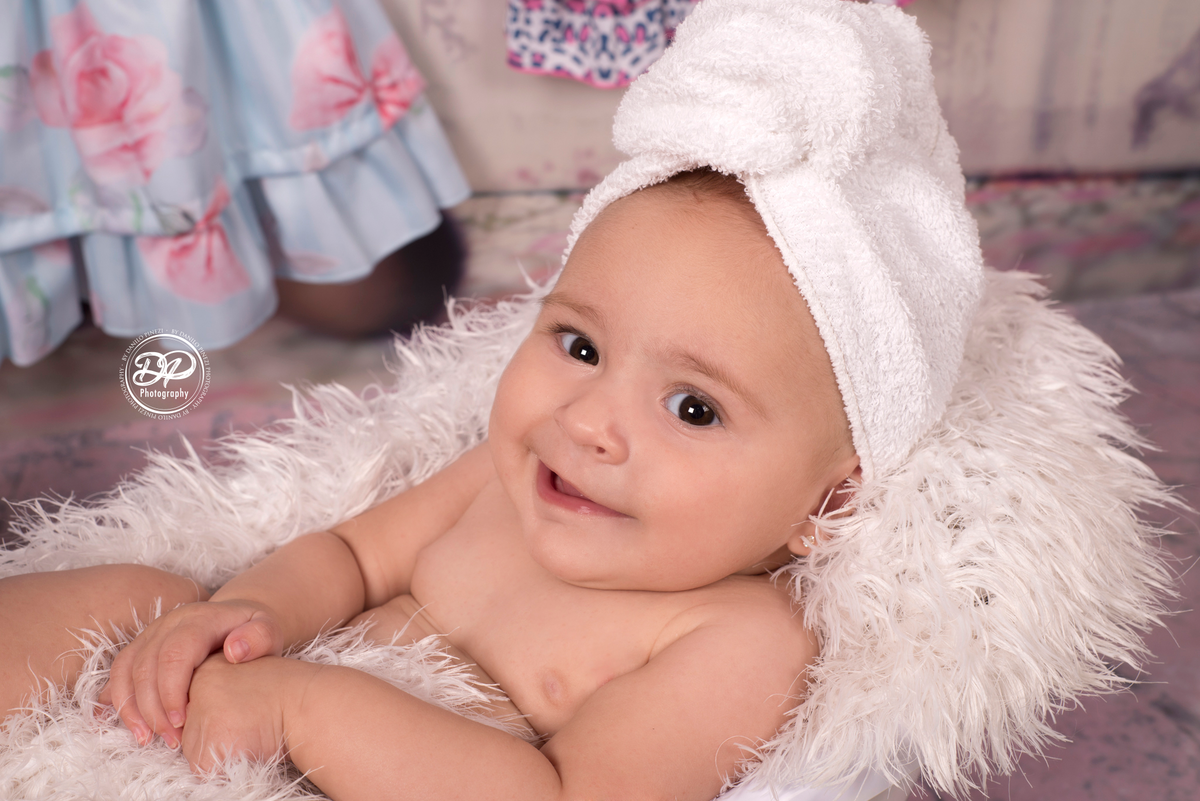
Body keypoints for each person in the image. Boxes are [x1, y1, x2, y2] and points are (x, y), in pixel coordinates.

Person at [0, 1, 1171, 799]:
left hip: (299, 758)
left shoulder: (731, 638)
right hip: (194, 718)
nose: (594, 420)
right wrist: (245, 611)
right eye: (576, 343)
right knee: (135, 592)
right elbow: (352, 559)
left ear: (829, 501)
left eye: (695, 409)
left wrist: (304, 714)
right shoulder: (512, 484)